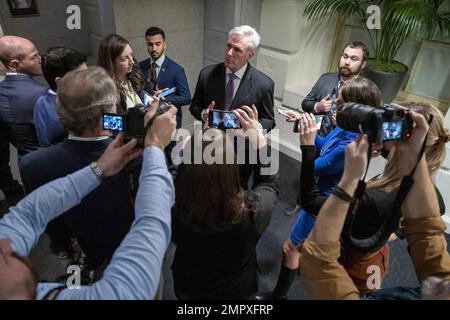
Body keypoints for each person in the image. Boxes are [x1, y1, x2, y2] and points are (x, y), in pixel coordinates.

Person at [0, 103, 177, 300]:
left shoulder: (32, 164)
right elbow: (132, 287)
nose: (7, 246)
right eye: (3, 259)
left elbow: (29, 212)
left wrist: (99, 169)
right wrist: (156, 148)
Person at [298, 100, 447, 295]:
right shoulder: (430, 197)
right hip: (375, 262)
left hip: (350, 266)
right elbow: (421, 223)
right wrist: (386, 233)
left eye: (390, 125)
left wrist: (346, 176)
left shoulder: (374, 200)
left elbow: (308, 201)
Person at [257, 76, 379, 300]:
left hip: (324, 202)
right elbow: (324, 146)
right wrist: (306, 125)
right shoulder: (345, 128)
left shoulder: (353, 143)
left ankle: (279, 296)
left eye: (341, 104)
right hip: (323, 196)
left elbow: (316, 166)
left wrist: (306, 143)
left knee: (289, 249)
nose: (334, 106)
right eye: (337, 100)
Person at [20, 67, 142, 269]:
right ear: (109, 111)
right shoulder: (134, 158)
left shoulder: (33, 165)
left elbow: (48, 218)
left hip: (84, 248)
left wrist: (63, 247)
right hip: (130, 252)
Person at [171, 105, 279, 299]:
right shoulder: (252, 212)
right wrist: (260, 143)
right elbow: (269, 184)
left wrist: (196, 144)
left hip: (187, 285)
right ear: (231, 167)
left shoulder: (171, 204)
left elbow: (177, 173)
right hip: (233, 290)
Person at [285, 41, 369, 216]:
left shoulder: (364, 91)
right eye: (345, 56)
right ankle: (302, 202)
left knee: (329, 184)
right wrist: (317, 107)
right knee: (309, 170)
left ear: (363, 64)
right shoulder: (326, 78)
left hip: (342, 147)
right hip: (318, 138)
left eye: (354, 59)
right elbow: (306, 103)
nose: (346, 62)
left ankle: (324, 212)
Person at [190, 25, 275, 132]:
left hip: (242, 144)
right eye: (229, 46)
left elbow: (269, 119)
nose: (229, 53)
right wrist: (204, 114)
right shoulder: (206, 74)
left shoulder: (264, 84)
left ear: (250, 55)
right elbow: (195, 106)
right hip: (211, 139)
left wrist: (255, 127)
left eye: (237, 50)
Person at [0, 35, 47, 199]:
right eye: (34, 56)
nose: (40, 59)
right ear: (15, 64)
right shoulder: (41, 95)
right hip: (52, 164)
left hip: (25, 166)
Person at [33, 47, 87, 147]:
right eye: (82, 76)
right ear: (60, 82)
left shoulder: (40, 102)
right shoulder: (69, 120)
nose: (89, 80)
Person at [139, 26, 191, 129]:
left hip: (168, 123)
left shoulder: (176, 70)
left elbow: (186, 98)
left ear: (164, 45)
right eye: (150, 44)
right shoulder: (141, 66)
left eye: (158, 44)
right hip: (147, 122)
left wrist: (165, 99)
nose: (154, 48)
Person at [97, 34, 146, 114]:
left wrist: (153, 99)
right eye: (124, 59)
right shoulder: (106, 91)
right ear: (111, 62)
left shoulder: (137, 75)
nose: (132, 62)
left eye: (131, 55)